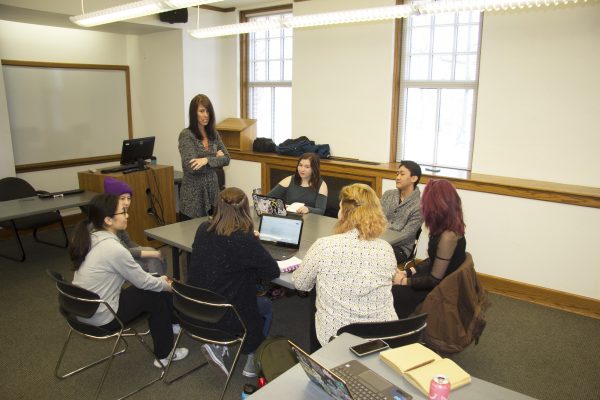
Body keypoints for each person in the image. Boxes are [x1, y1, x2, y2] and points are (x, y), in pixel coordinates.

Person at [69, 194, 188, 367]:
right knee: (156, 294)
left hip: (82, 310)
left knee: (156, 283)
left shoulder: (92, 237)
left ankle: (173, 324)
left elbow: (141, 278)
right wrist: (168, 285)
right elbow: (143, 283)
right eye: (123, 212)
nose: (127, 215)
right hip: (102, 316)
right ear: (108, 220)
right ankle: (164, 355)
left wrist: (160, 280)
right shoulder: (114, 248)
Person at [187, 187, 279, 378]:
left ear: (218, 207)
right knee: (266, 306)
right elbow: (272, 271)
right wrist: (255, 245)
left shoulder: (203, 228)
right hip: (229, 314)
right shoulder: (244, 238)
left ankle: (217, 344)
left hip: (197, 308)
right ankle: (251, 355)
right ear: (245, 210)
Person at [293, 183, 398, 346]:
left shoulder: (324, 246)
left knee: (317, 293)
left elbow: (301, 284)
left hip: (336, 338)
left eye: (340, 207)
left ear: (344, 214)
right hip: (383, 338)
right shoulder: (386, 249)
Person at [392, 179, 467, 318]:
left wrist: (403, 282)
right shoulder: (446, 227)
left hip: (439, 288)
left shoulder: (448, 237)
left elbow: (434, 280)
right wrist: (407, 272)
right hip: (436, 278)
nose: (422, 205)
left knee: (392, 292)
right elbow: (433, 261)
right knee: (393, 283)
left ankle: (397, 330)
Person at [178, 94, 230, 219]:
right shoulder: (186, 135)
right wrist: (216, 158)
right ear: (194, 113)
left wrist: (206, 159)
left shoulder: (214, 134)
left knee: (213, 234)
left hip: (212, 193)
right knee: (192, 236)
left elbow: (227, 158)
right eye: (202, 111)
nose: (206, 115)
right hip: (193, 198)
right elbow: (191, 167)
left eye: (208, 111)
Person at [103, 176, 166, 275]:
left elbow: (128, 242)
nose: (127, 203)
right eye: (122, 198)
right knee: (152, 259)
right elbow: (122, 252)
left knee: (152, 255)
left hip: (121, 255)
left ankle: (159, 284)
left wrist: (146, 250)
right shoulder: (105, 225)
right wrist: (151, 252)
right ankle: (159, 286)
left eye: (129, 198)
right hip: (113, 261)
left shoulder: (118, 217)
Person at [380, 161, 423, 264]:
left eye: (402, 174)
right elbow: (375, 217)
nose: (398, 177)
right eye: (397, 174)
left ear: (414, 178)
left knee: (372, 257)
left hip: (400, 249)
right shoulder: (388, 194)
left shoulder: (419, 205)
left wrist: (380, 241)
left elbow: (406, 235)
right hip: (378, 241)